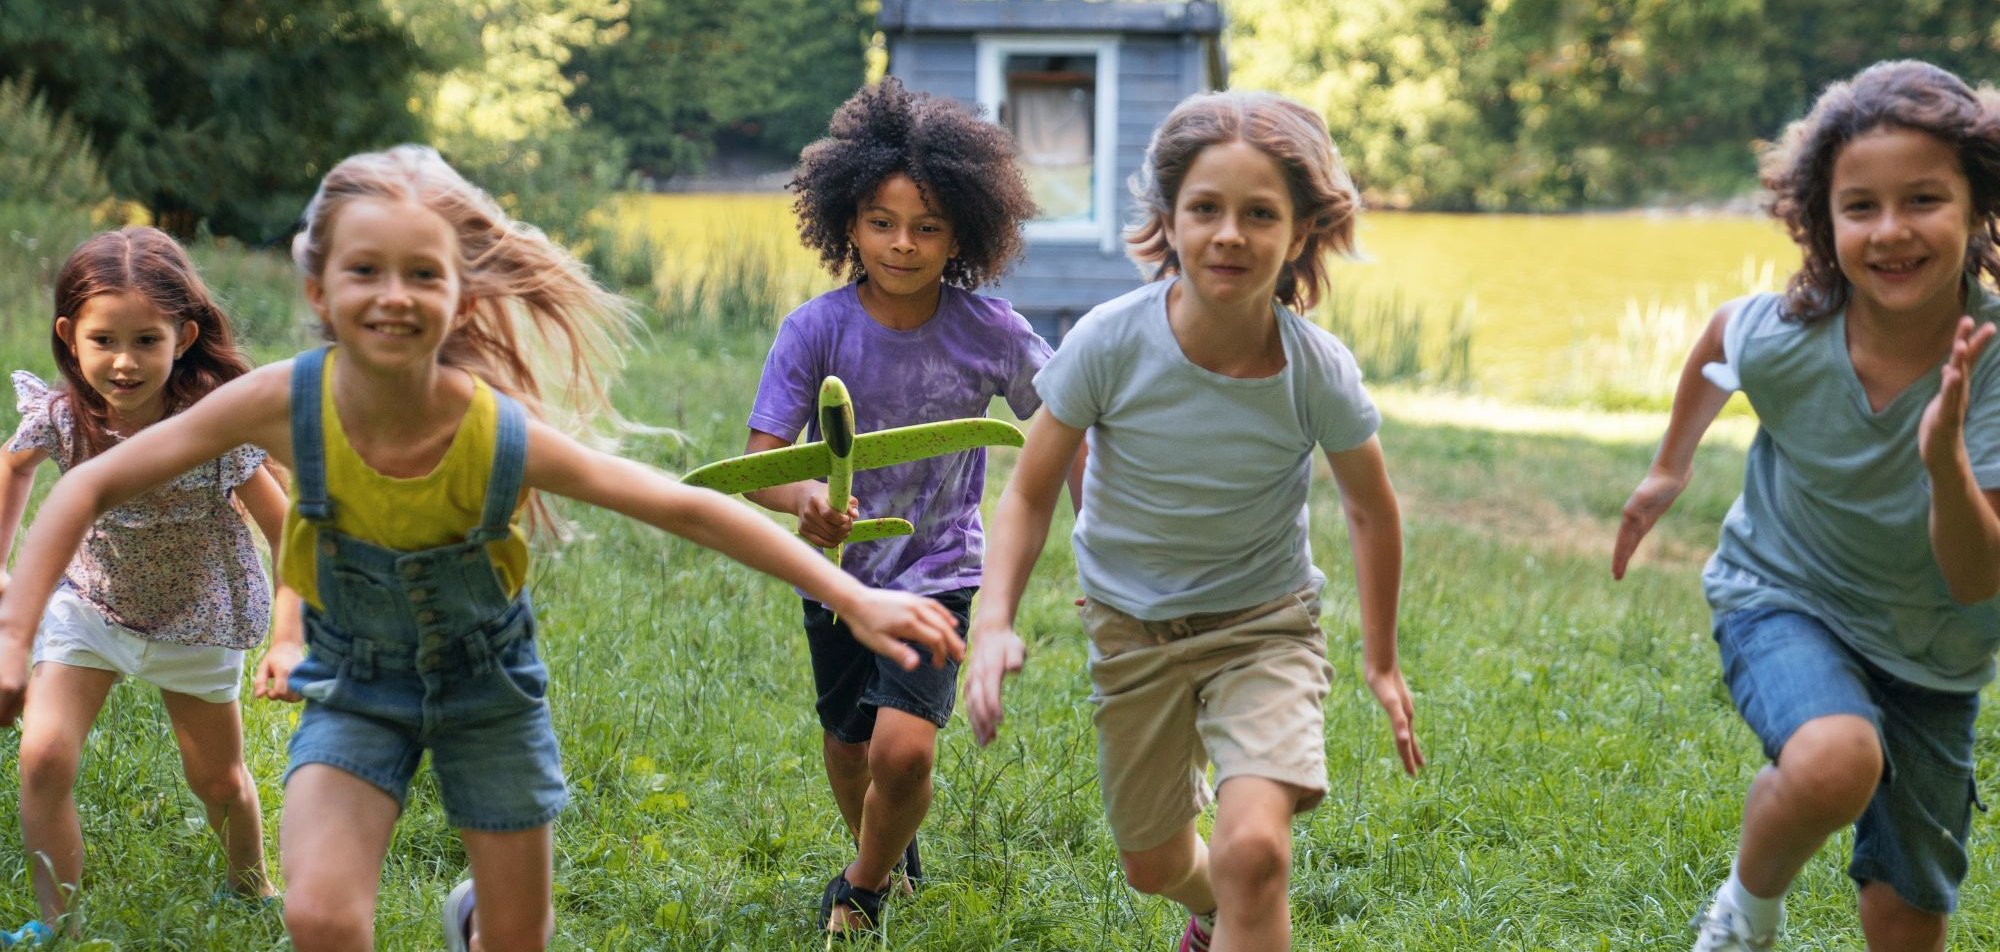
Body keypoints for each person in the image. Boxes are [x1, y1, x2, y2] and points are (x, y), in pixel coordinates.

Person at [0, 145, 964, 952]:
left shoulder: (492, 431)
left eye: (424, 275)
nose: (394, 296)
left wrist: (855, 596)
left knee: (516, 938)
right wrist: (14, 634)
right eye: (365, 271)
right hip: (357, 685)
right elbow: (85, 485)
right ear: (319, 288)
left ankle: (478, 921)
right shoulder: (281, 402)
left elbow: (684, 508)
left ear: (461, 300)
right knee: (320, 917)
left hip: (487, 694)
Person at [962, 90, 1425, 952]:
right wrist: (993, 624)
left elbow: (1371, 509)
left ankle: (1239, 900)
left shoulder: (1315, 370)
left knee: (1253, 852)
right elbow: (1027, 492)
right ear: (1169, 219)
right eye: (1206, 208)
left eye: (1260, 214)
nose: (1229, 235)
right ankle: (1211, 911)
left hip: (1264, 628)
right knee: (1154, 862)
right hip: (1132, 630)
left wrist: (1383, 661)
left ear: (1302, 231)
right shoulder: (1110, 342)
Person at [1612, 60, 2000, 952]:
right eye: (1860, 206)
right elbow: (1722, 333)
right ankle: (1744, 918)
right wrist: (1670, 466)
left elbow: (1977, 577)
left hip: (1937, 651)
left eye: (1924, 199)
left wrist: (1944, 460)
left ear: (1979, 203)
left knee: (1908, 915)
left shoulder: (1993, 362)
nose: (1891, 230)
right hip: (1783, 593)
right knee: (1835, 759)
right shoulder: (1793, 330)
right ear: (1823, 221)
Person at [739, 77, 1054, 937]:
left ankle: (863, 888)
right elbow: (760, 469)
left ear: (964, 233)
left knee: (902, 749)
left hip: (940, 572)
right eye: (882, 222)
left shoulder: (994, 332)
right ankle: (883, 849)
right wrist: (804, 497)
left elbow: (1065, 424)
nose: (903, 244)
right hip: (838, 575)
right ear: (848, 222)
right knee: (850, 748)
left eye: (928, 227)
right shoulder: (814, 330)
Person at [0, 227, 287, 941]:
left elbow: (286, 529)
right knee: (43, 755)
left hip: (197, 617)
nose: (123, 362)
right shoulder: (64, 417)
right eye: (103, 340)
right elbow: (13, 467)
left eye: (146, 341)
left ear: (183, 337)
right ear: (69, 337)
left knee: (217, 781)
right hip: (90, 606)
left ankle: (250, 888)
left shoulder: (212, 427)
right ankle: (57, 924)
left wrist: (294, 627)